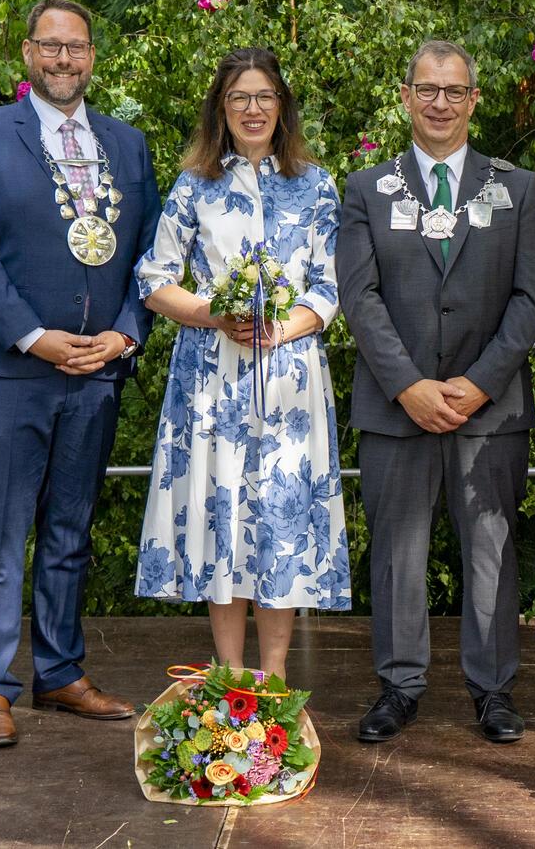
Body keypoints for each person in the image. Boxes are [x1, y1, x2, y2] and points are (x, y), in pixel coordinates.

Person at [0, 0, 161, 747]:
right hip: (11, 370)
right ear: (28, 53)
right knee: (0, 534)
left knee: (71, 529)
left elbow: (151, 259)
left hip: (96, 371)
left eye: (77, 48)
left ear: (93, 56)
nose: (64, 60)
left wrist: (125, 335)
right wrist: (36, 337)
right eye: (50, 47)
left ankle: (61, 670)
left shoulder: (127, 146)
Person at [337, 39, 535, 743]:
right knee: (397, 549)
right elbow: (360, 299)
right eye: (427, 89)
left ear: (474, 101)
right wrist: (411, 387)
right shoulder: (368, 188)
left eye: (454, 91)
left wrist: (478, 383)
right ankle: (399, 686)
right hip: (398, 405)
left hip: (489, 408)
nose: (440, 103)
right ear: (405, 96)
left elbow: (529, 299)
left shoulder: (515, 186)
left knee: (490, 548)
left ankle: (494, 691)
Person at [133, 47, 349, 678]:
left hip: (290, 380)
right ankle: (227, 677)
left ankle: (275, 679)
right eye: (239, 99)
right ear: (221, 110)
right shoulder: (193, 185)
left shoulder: (316, 184)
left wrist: (280, 328)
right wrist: (213, 314)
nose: (253, 110)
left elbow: (331, 286)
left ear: (282, 107)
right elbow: (155, 279)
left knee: (280, 519)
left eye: (264, 97)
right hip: (211, 379)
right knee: (224, 519)